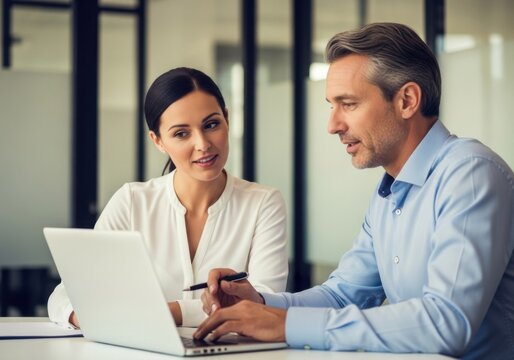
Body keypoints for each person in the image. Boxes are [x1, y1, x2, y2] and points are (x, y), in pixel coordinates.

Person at [193, 23, 514, 359]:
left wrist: (285, 325)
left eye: (348, 104)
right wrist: (258, 304)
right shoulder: (389, 193)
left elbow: (445, 324)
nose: (333, 125)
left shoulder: (471, 175)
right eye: (332, 105)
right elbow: (343, 295)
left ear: (407, 100)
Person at [47, 67, 288, 328]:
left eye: (211, 124)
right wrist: (87, 316)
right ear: (158, 141)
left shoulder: (263, 203)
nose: (203, 144)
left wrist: (166, 312)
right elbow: (65, 295)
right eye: (181, 133)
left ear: (227, 120)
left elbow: (263, 303)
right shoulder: (131, 202)